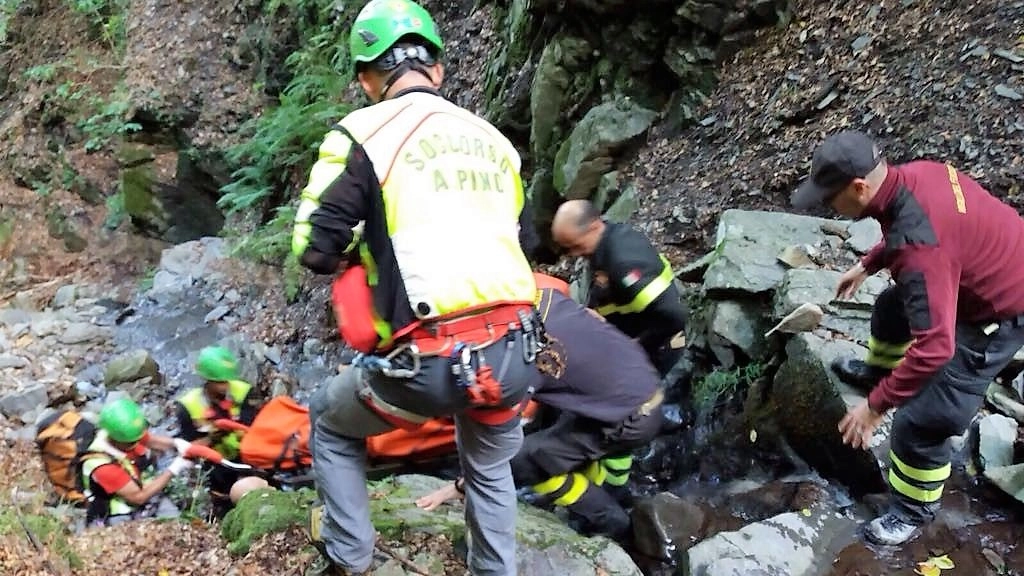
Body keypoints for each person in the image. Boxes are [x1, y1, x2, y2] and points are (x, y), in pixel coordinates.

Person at [291, 1, 543, 574]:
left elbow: (313, 246)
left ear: (366, 79)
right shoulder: (495, 141)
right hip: (514, 354)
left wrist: (365, 249)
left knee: (329, 420)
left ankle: (347, 559)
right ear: (439, 69)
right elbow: (522, 237)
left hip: (427, 363)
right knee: (488, 467)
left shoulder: (360, 133)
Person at [792, 129, 1024, 546]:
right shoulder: (917, 175)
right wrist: (870, 262)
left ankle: (912, 511)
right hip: (981, 265)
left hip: (1000, 311)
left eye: (830, 197)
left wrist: (876, 408)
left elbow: (936, 348)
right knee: (889, 309)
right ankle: (879, 371)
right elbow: (909, 223)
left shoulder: (920, 250)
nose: (827, 205)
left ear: (860, 186)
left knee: (922, 422)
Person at [417, 283, 665, 542]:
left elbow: (500, 444)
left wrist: (459, 487)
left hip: (630, 416)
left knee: (531, 461)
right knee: (544, 433)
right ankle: (611, 484)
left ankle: (618, 526)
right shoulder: (539, 296)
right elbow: (593, 320)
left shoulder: (516, 356)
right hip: (631, 382)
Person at [550, 199, 688, 373]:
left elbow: (674, 315)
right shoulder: (606, 240)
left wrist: (636, 346)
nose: (574, 254)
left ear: (594, 226)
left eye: (576, 246)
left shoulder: (624, 263)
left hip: (659, 352)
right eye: (567, 249)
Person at [82, 397, 196, 527]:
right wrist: (174, 469)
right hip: (119, 511)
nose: (137, 443)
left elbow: (149, 440)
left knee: (177, 521)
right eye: (132, 442)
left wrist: (176, 444)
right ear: (116, 439)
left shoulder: (121, 434)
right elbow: (139, 497)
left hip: (141, 488)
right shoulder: (102, 466)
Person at [174, 346, 261, 505]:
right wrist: (214, 434)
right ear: (208, 380)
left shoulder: (244, 392)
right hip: (216, 464)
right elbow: (189, 446)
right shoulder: (187, 407)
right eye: (220, 382)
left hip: (249, 455)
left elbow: (255, 426)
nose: (225, 386)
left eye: (226, 381)